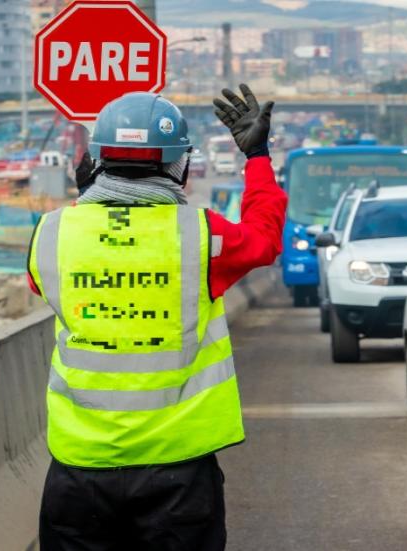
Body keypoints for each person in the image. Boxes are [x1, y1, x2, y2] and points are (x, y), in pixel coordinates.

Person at [29, 84, 285, 551]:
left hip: (79, 468)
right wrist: (259, 158)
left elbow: (46, 284)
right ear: (179, 165)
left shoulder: (52, 234)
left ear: (94, 160)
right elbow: (264, 238)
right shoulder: (203, 236)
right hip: (178, 473)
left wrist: (90, 198)